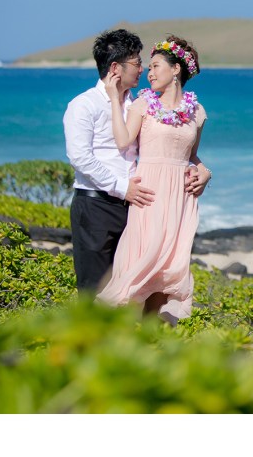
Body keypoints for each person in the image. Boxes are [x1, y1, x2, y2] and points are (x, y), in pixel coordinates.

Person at [96, 35, 210, 325]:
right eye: (147, 67)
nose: (149, 72)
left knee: (167, 271)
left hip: (180, 201)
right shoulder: (143, 104)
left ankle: (153, 343)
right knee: (139, 263)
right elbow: (123, 141)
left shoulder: (197, 112)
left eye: (156, 66)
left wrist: (205, 172)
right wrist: (113, 99)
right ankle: (118, 337)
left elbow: (192, 156)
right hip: (149, 194)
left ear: (175, 70)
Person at [63, 29, 157, 292]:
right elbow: (80, 158)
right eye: (137, 63)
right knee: (94, 293)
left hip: (133, 207)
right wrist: (121, 187)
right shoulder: (83, 105)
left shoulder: (137, 105)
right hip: (96, 208)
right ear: (115, 67)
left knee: (129, 293)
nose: (142, 69)